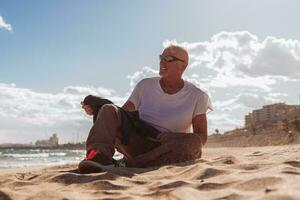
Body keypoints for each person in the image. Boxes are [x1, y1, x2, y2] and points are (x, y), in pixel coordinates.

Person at [78, 45, 213, 173]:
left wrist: (174, 136)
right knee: (108, 109)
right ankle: (98, 156)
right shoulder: (145, 85)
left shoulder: (197, 96)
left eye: (169, 59)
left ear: (183, 65)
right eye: (161, 58)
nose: (162, 62)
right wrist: (99, 111)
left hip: (167, 147)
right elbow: (120, 115)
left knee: (194, 142)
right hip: (138, 142)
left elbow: (202, 137)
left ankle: (127, 164)